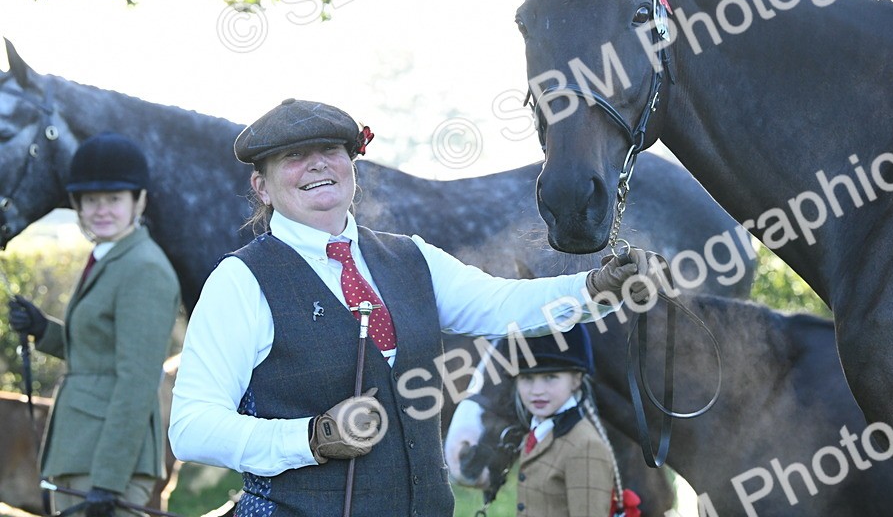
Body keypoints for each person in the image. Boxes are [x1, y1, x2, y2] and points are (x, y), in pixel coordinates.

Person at [168, 98, 663, 517]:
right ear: (262, 186)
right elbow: (191, 429)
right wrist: (311, 439)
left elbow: (501, 304)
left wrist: (597, 287)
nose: (317, 164)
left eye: (330, 151)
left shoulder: (411, 256)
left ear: (351, 167)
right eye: (294, 156)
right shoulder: (240, 281)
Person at [7, 132, 182, 517]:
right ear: (78, 206)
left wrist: (108, 479)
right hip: (79, 451)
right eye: (91, 200)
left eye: (114, 199)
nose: (101, 210)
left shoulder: (144, 269)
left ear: (139, 201)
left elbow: (136, 381)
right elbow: (99, 349)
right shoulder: (108, 257)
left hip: (107, 463)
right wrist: (44, 330)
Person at [513, 325, 640, 517]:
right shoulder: (537, 434)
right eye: (527, 378)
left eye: (550, 377)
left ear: (576, 380)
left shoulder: (585, 446)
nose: (537, 390)